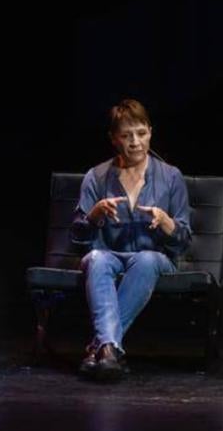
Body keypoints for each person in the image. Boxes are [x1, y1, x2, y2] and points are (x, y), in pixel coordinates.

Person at [70, 99, 193, 381]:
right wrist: (94, 216)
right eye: (126, 136)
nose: (135, 142)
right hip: (108, 255)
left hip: (154, 258)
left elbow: (183, 241)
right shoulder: (96, 177)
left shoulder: (171, 177)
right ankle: (110, 350)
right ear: (114, 139)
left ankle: (99, 347)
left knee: (147, 259)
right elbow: (77, 237)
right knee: (96, 259)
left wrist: (167, 223)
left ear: (150, 131)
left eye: (141, 133)